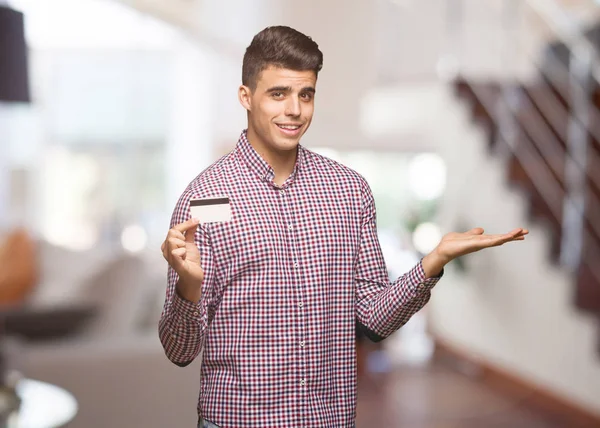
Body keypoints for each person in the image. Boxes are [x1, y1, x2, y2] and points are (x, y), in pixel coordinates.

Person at [159, 25, 528, 428]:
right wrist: (188, 287)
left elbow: (373, 318)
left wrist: (433, 262)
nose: (294, 110)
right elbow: (180, 351)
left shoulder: (349, 191)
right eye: (278, 93)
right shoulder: (204, 199)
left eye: (306, 94)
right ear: (246, 97)